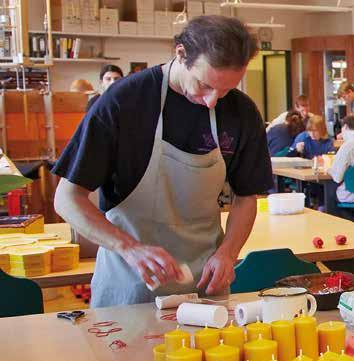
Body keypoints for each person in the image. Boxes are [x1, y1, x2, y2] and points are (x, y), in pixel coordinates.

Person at [52, 16, 273, 308]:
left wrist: (228, 253)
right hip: (130, 283)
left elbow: (247, 197)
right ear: (180, 53)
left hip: (204, 287)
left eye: (225, 90)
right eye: (204, 84)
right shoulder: (124, 103)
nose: (212, 101)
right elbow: (67, 199)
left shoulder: (241, 112)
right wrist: (129, 248)